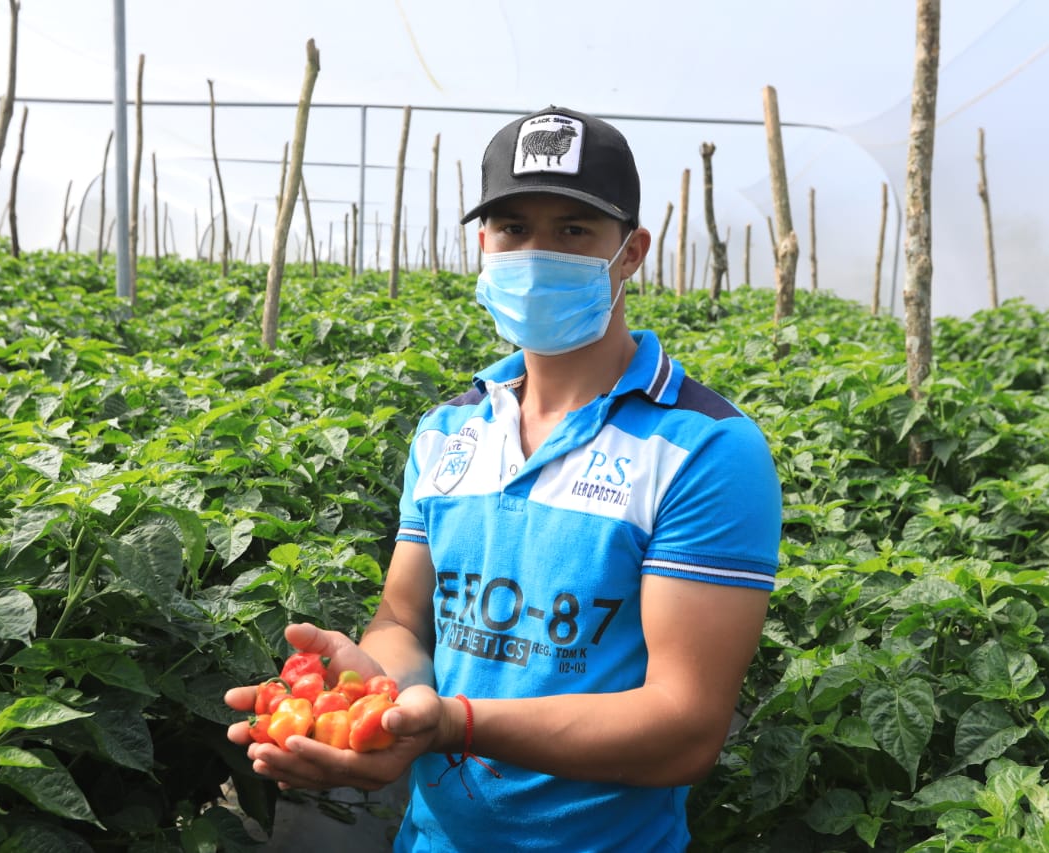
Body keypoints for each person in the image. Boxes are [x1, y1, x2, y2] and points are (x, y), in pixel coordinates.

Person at [226, 105, 782, 852]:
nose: (537, 253)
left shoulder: (705, 449)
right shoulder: (448, 431)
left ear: (632, 253)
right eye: (513, 228)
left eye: (573, 230)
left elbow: (684, 730)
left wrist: (453, 724)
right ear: (483, 245)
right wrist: (382, 694)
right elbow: (402, 622)